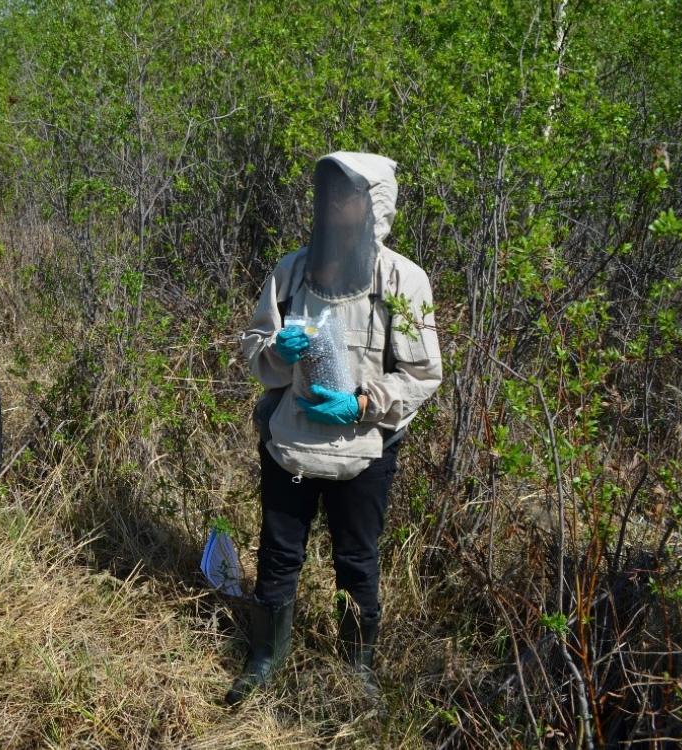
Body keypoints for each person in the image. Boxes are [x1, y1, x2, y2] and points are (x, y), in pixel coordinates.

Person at [230, 152, 442, 704]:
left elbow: (424, 373)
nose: (335, 207)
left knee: (357, 561)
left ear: (374, 207)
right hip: (292, 445)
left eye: (347, 197)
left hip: (365, 449)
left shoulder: (403, 281)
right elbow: (255, 354)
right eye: (330, 196)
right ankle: (266, 657)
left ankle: (358, 671)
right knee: (278, 555)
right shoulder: (292, 270)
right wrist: (278, 348)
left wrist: (366, 403)